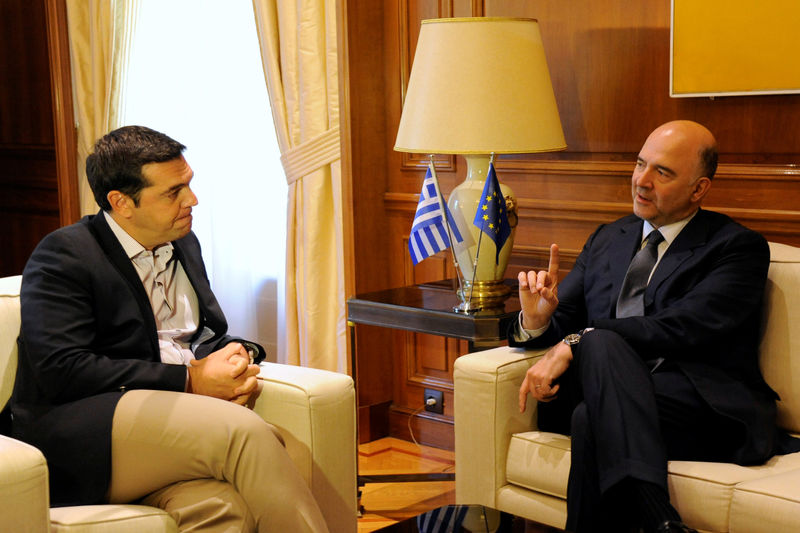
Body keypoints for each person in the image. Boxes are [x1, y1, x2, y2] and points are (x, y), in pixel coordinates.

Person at [9, 126, 329, 533]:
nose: (191, 200)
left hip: (161, 427)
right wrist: (190, 380)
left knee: (222, 508)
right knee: (246, 434)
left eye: (189, 185)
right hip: (78, 433)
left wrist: (237, 356)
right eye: (173, 192)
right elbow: (63, 369)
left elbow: (203, 334)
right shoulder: (65, 254)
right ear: (121, 202)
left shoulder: (184, 242)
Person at [511, 120, 783, 533]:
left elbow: (679, 327)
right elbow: (563, 321)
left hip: (696, 406)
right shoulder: (608, 238)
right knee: (596, 356)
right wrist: (536, 318)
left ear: (699, 189)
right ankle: (660, 521)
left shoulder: (736, 247)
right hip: (612, 389)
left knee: (590, 418)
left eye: (663, 172)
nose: (641, 181)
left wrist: (579, 340)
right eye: (640, 164)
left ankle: (652, 511)